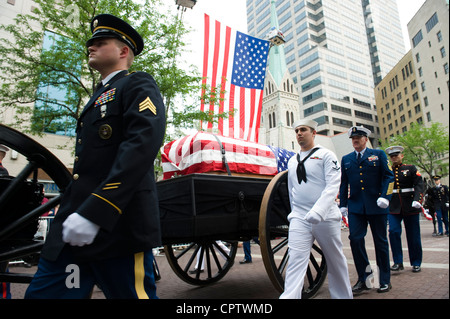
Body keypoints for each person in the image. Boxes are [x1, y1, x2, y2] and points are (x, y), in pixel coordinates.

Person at [25, 14, 166, 299]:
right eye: (91, 43)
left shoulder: (137, 85)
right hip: (74, 224)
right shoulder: (99, 94)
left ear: (123, 51)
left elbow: (141, 147)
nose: (91, 47)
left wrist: (96, 212)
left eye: (100, 43)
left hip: (118, 226)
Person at [280, 119, 352, 299]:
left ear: (313, 133)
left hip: (325, 216)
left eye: (303, 130)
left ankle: (343, 296)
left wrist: (319, 210)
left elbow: (333, 185)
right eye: (296, 130)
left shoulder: (327, 155)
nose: (299, 133)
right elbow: (291, 190)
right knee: (295, 261)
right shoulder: (291, 161)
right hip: (300, 218)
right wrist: (294, 214)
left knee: (335, 261)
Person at [339, 126, 394, 294]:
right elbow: (344, 183)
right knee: (355, 239)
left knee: (380, 243)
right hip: (356, 207)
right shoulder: (346, 159)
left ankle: (384, 280)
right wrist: (343, 205)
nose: (355, 140)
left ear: (365, 139)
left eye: (359, 137)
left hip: (377, 205)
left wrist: (386, 196)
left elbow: (389, 177)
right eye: (353, 138)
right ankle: (364, 278)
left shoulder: (378, 155)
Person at [385, 145, 424, 273]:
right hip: (394, 205)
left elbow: (419, 184)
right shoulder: (388, 170)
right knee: (394, 232)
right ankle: (398, 261)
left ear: (401, 156)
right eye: (392, 156)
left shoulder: (410, 168)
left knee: (413, 235)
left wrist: (418, 200)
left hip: (410, 204)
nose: (394, 157)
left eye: (396, 155)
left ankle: (416, 262)